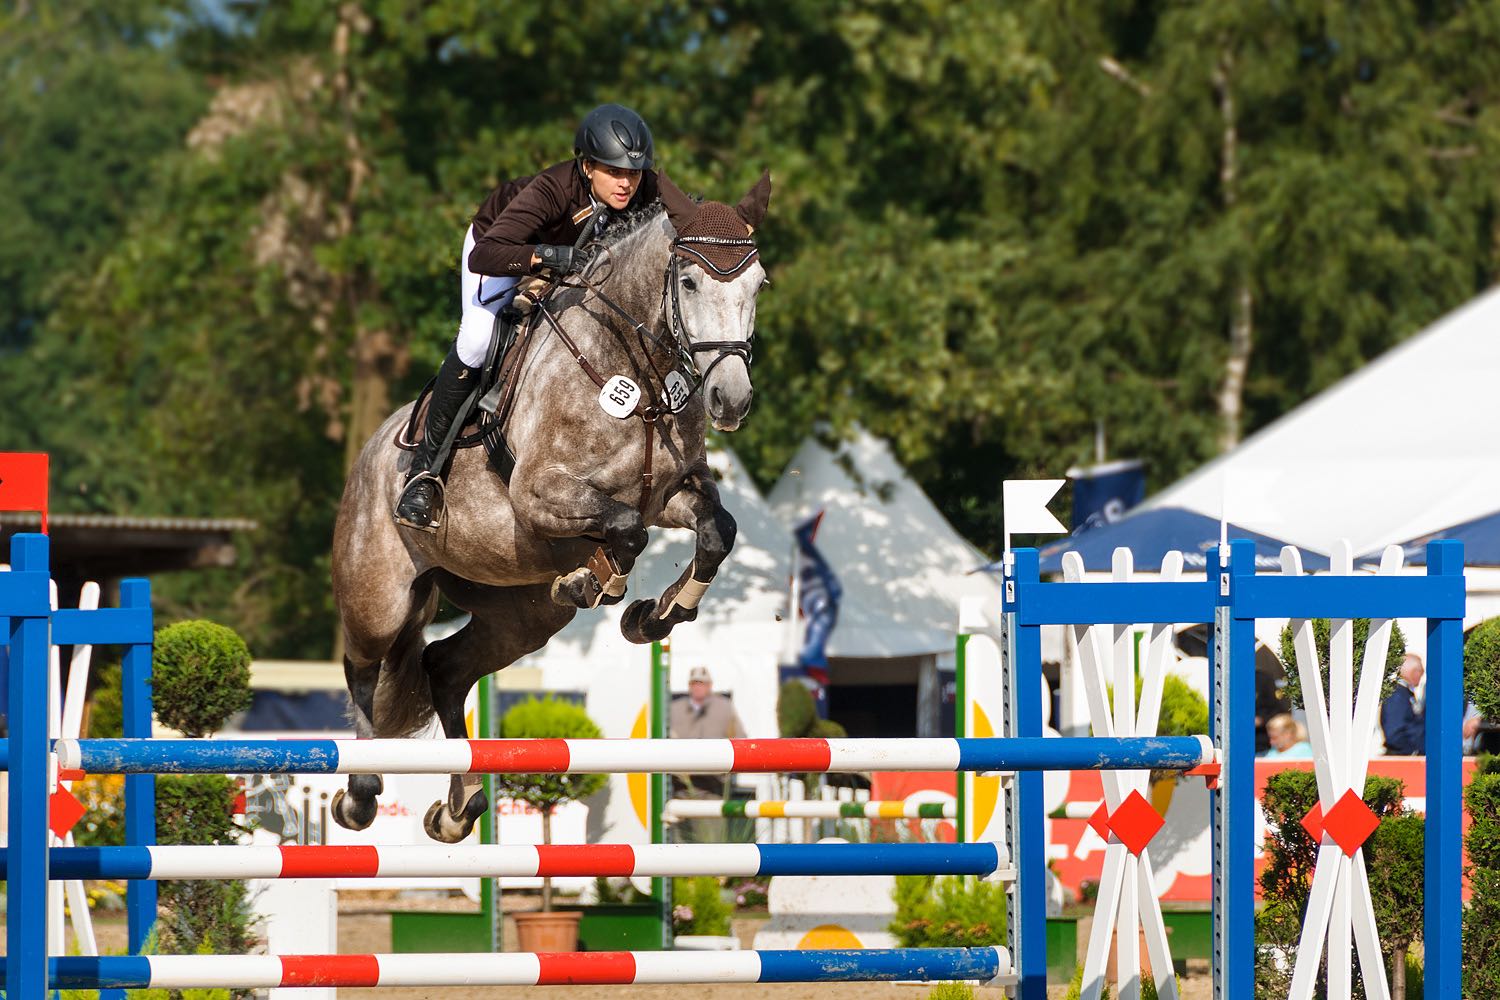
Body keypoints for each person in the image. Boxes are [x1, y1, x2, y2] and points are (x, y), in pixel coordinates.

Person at [394, 103, 661, 532]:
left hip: (578, 268)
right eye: (615, 172)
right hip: (502, 250)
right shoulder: (552, 190)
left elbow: (687, 216)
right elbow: (487, 253)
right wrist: (546, 256)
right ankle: (422, 476)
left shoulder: (646, 186)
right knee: (478, 340)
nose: (627, 183)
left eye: (634, 173)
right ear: (588, 166)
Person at [1381, 653, 1426, 755]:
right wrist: (1413, 750)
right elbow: (1394, 732)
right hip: (1400, 756)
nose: (1421, 675)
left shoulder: (1403, 692)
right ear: (1413, 671)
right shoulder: (1397, 694)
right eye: (1421, 671)